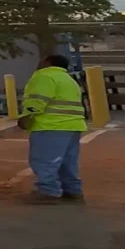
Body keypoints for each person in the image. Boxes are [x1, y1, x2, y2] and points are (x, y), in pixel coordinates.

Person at [18, 53, 88, 204]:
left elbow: (38, 99)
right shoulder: (69, 79)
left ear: (48, 62)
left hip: (51, 125)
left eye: (41, 59)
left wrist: (26, 116)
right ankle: (72, 190)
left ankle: (48, 191)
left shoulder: (44, 76)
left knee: (45, 160)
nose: (38, 63)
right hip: (73, 125)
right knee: (67, 162)